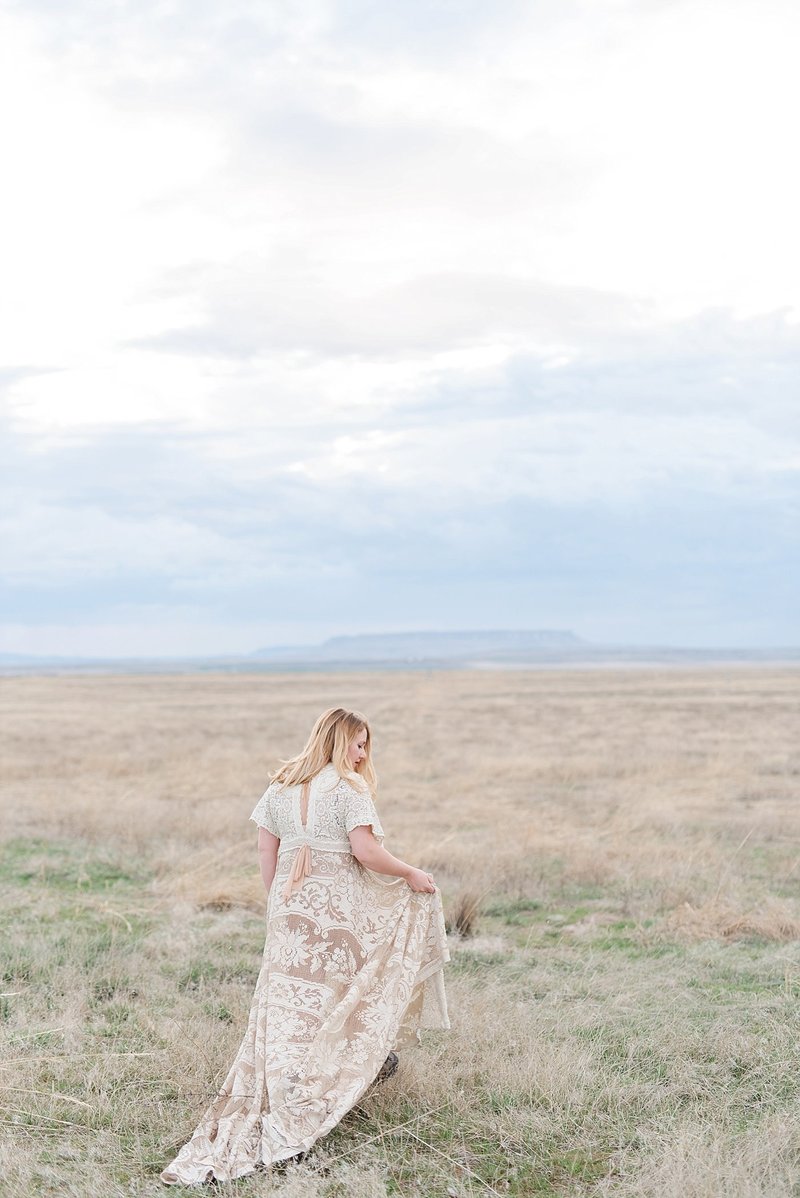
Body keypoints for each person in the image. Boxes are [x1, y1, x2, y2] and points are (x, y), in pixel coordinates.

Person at [160, 707, 450, 1185]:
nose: (363, 754)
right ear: (338, 741)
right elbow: (366, 852)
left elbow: (264, 850)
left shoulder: (281, 786)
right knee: (342, 994)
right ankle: (341, 1081)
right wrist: (410, 873)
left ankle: (307, 1087)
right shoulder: (348, 788)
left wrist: (279, 903)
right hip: (335, 913)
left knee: (289, 1009)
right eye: (358, 744)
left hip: (290, 911)